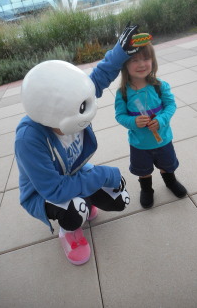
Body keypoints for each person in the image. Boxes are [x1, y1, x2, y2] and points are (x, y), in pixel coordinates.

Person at [15, 24, 139, 265]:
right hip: (43, 193)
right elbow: (54, 189)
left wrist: (121, 52)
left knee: (120, 198)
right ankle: (69, 232)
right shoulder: (29, 140)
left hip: (72, 173)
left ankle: (84, 201)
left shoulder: (72, 102)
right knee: (76, 210)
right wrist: (103, 175)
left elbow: (97, 79)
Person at [115, 34, 187, 209]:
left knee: (167, 164)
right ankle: (147, 189)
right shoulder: (123, 93)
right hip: (139, 144)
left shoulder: (159, 85)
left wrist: (161, 119)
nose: (141, 64)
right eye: (134, 60)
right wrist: (133, 122)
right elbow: (120, 116)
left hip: (163, 138)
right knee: (143, 170)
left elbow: (170, 105)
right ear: (125, 65)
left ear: (153, 61)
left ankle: (170, 181)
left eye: (146, 58)